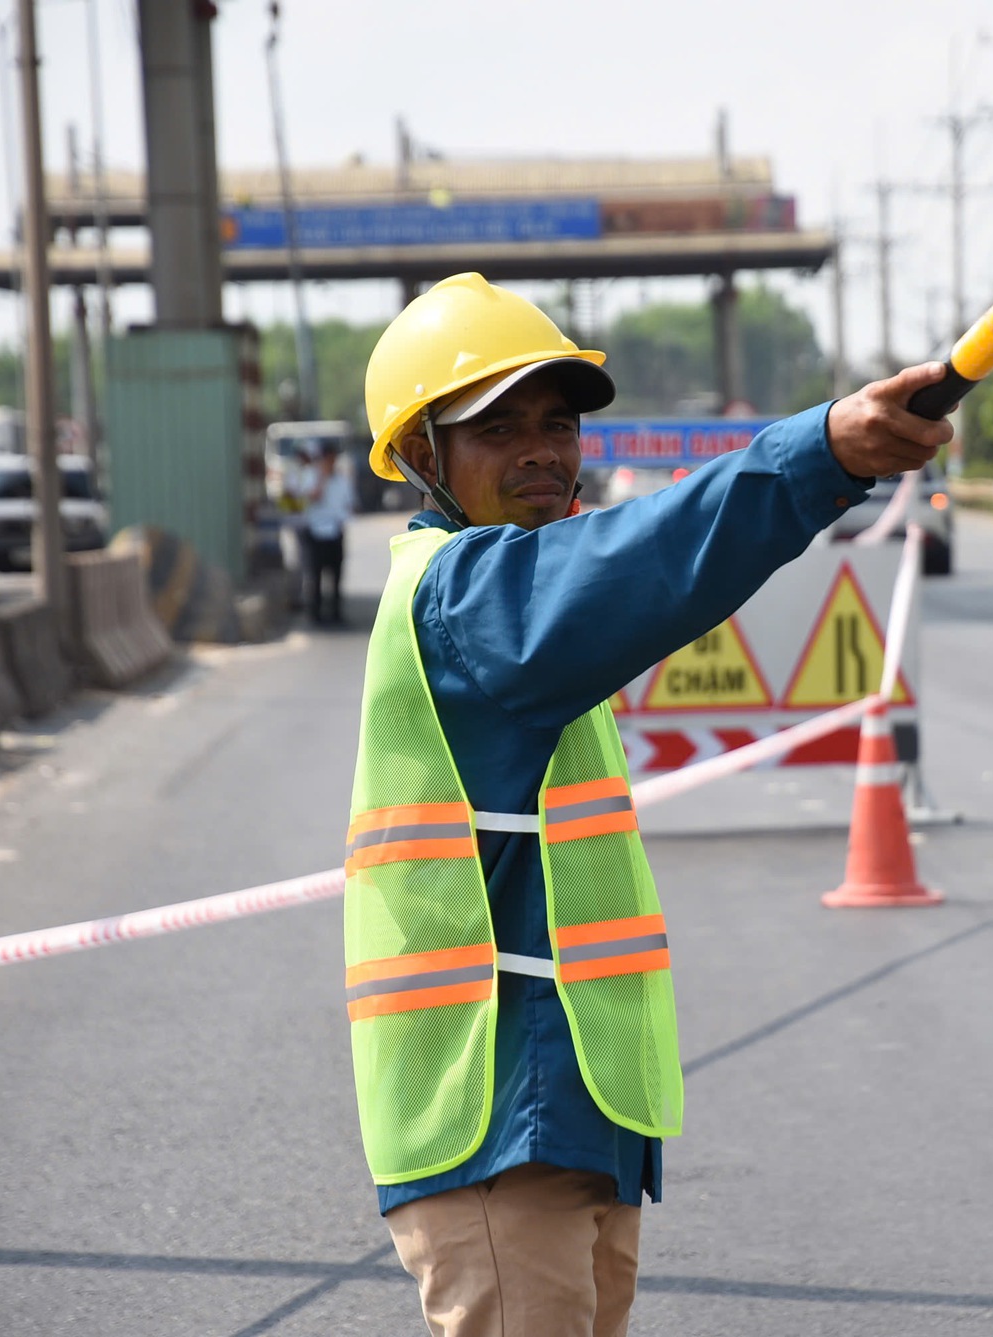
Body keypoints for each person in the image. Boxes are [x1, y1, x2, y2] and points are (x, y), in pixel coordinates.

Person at [346, 273, 950, 1337]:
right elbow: (649, 557)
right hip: (493, 1114)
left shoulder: (505, 587)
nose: (541, 447)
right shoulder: (460, 597)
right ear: (421, 456)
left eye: (558, 420)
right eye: (497, 425)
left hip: (575, 1111)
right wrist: (823, 452)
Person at [302, 441, 353, 624]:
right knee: (315, 575)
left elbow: (349, 504)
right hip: (316, 532)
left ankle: (336, 613)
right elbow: (313, 496)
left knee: (336, 575)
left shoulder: (341, 480)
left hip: (335, 531)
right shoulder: (310, 475)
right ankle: (315, 613)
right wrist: (321, 478)